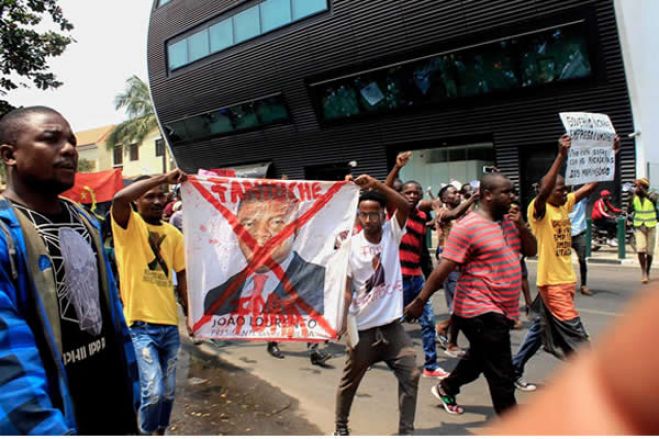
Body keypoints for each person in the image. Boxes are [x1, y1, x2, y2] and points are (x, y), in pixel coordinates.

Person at [0, 106, 139, 434]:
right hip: (58, 420)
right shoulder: (6, 236)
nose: (69, 149)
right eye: (51, 139)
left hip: (118, 412)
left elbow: (111, 314)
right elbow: (8, 366)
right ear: (9, 155)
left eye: (72, 141)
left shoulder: (85, 221)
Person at [405, 172, 537, 416]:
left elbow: (531, 250)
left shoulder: (509, 222)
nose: (512, 197)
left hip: (503, 308)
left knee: (479, 358)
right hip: (479, 309)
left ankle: (447, 386)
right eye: (506, 192)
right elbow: (443, 269)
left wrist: (521, 225)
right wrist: (420, 301)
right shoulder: (467, 227)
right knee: (502, 374)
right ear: (487, 195)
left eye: (512, 192)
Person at [513, 134, 620, 390]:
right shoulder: (538, 210)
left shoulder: (563, 205)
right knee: (577, 334)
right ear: (547, 191)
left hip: (564, 282)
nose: (565, 193)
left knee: (539, 331)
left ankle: (513, 369)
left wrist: (612, 157)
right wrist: (560, 155)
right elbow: (548, 190)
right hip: (553, 284)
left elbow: (588, 188)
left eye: (564, 190)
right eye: (559, 189)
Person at [335, 175, 419, 436]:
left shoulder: (393, 233)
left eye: (374, 214)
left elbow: (404, 206)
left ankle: (406, 431)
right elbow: (347, 289)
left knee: (412, 373)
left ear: (384, 214)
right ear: (358, 217)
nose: (369, 220)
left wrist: (374, 183)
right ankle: (340, 426)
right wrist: (342, 324)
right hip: (363, 329)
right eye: (364, 215)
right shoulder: (351, 246)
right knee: (350, 381)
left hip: (392, 328)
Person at [111, 170, 189, 435]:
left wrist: (190, 316)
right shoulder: (128, 225)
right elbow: (120, 198)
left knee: (167, 393)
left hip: (169, 325)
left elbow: (183, 277)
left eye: (161, 196)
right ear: (138, 201)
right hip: (140, 325)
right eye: (149, 196)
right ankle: (144, 433)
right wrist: (162, 178)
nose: (157, 201)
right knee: (153, 391)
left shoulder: (175, 235)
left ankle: (160, 431)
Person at [203, 184, 325, 318]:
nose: (260, 233)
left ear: (296, 229)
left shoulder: (323, 284)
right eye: (248, 224)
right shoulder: (216, 297)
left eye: (276, 222)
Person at [384, 151, 448, 379]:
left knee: (428, 321)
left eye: (415, 193)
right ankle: (375, 354)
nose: (411, 196)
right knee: (388, 322)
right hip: (397, 280)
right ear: (399, 195)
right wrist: (397, 168)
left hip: (416, 279)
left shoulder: (421, 217)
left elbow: (421, 251)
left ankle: (430, 365)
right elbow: (386, 188)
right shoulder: (394, 213)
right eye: (407, 192)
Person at [433, 183, 477, 357]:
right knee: (458, 306)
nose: (457, 194)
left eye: (458, 192)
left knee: (466, 304)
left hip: (464, 263)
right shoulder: (443, 213)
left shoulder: (464, 213)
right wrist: (472, 198)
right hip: (449, 264)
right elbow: (454, 213)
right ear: (444, 199)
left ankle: (444, 329)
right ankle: (451, 342)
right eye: (452, 193)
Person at [628, 178, 657, 283]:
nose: (637, 188)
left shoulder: (653, 194)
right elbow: (630, 209)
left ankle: (648, 272)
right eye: (637, 186)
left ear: (645, 186)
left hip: (651, 226)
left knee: (649, 252)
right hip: (640, 226)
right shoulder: (634, 196)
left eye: (640, 186)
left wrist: (641, 190)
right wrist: (631, 195)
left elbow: (652, 199)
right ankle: (644, 273)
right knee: (640, 250)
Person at [569, 195, 591, 295]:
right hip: (564, 235)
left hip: (579, 234)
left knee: (582, 259)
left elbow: (589, 189)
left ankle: (584, 285)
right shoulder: (560, 202)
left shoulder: (581, 201)